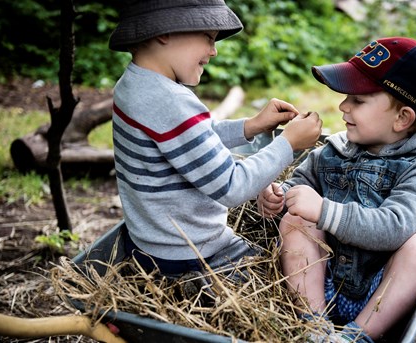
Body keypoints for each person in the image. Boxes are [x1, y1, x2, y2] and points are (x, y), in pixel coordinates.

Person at [107, 0, 322, 278]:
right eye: (208, 37)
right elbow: (231, 186)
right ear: (164, 32)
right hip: (192, 253)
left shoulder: (134, 85)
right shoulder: (171, 102)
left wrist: (252, 125)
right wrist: (288, 144)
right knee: (281, 271)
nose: (214, 51)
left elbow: (192, 142)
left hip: (150, 243)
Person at [257, 37, 416, 342]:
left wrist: (324, 211)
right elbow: (299, 190)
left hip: (379, 290)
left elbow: (395, 227)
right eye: (347, 97)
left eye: (358, 100)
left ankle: (357, 337)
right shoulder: (332, 152)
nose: (343, 106)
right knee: (296, 221)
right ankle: (314, 326)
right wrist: (278, 197)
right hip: (324, 280)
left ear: (402, 118)